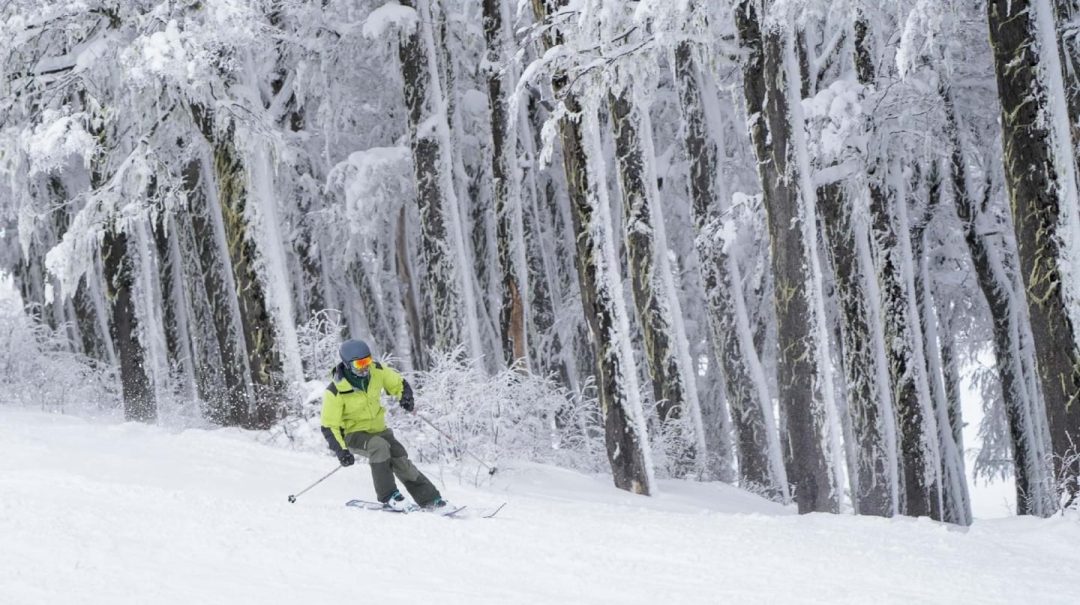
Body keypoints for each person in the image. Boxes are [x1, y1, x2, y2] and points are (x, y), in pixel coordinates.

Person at [320, 338, 447, 511]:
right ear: (348, 365)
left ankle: (430, 499)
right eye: (359, 364)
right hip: (353, 435)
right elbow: (329, 426)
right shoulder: (335, 391)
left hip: (379, 430)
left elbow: (398, 383)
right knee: (378, 446)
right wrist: (341, 451)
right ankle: (389, 496)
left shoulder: (376, 371)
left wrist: (405, 396)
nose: (365, 367)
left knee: (399, 456)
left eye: (367, 361)